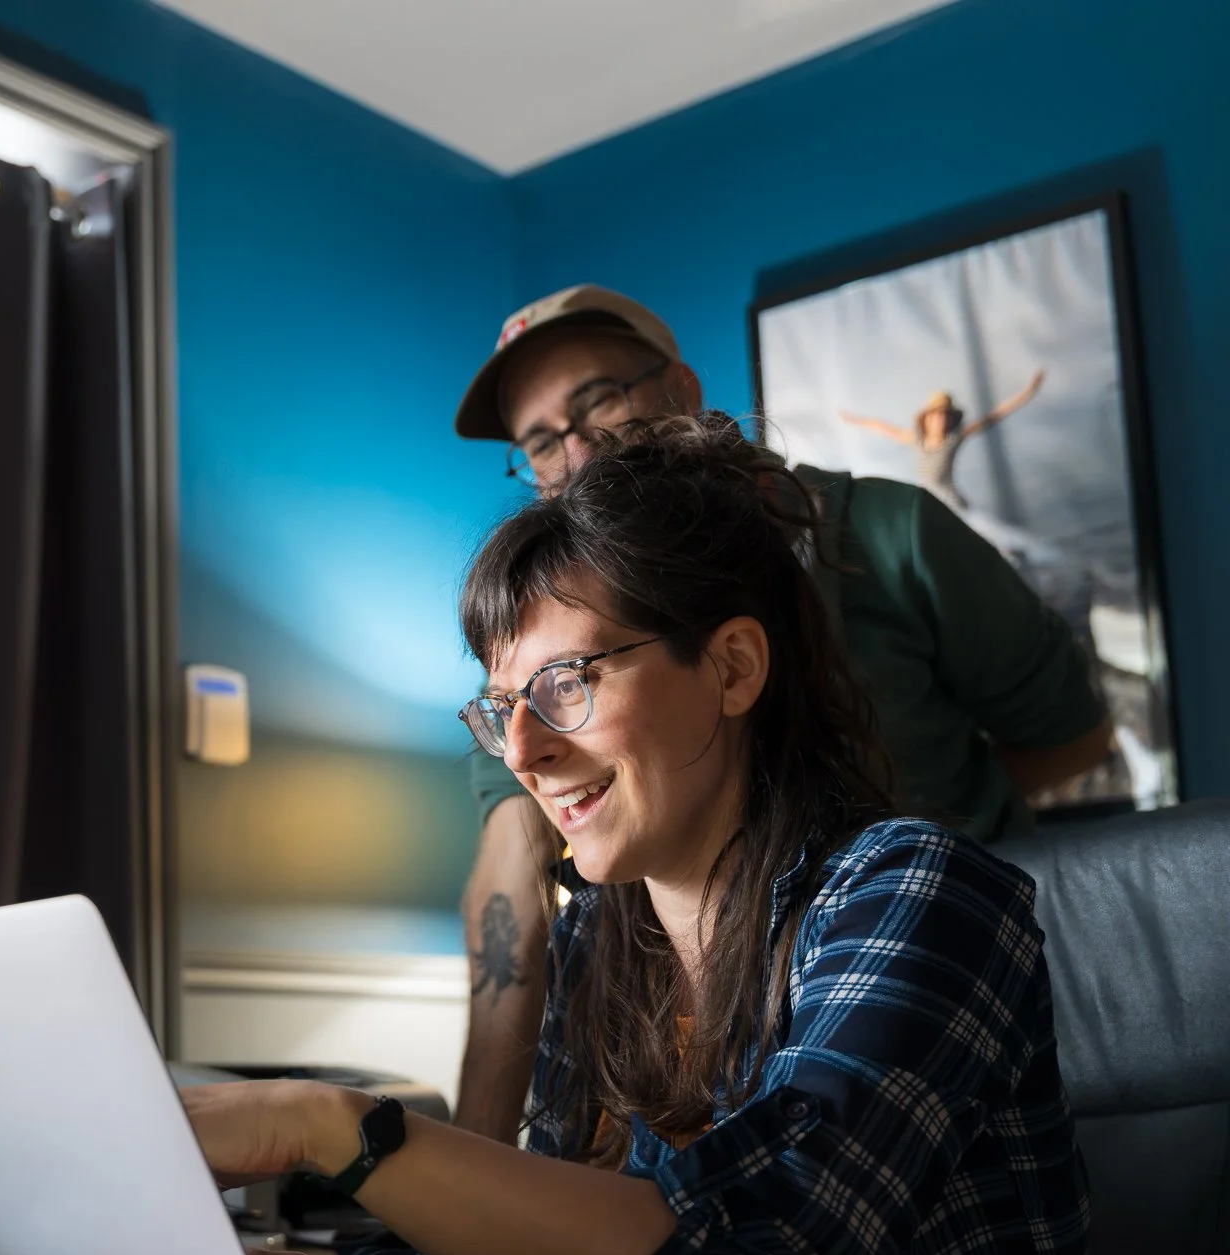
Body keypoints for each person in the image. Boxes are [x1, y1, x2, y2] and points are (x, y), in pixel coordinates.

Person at [182, 419, 1089, 1255]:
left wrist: (337, 1128)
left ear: (734, 667)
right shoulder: (601, 946)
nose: (523, 752)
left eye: (566, 682)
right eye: (502, 708)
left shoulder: (916, 892)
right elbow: (568, 1249)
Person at [447, 287, 1108, 1141]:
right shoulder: (542, 716)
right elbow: (513, 889)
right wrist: (455, 1188)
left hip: (944, 1000)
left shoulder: (890, 535)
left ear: (682, 390)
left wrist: (887, 859)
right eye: (539, 440)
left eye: (597, 400)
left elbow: (1070, 735)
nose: (575, 451)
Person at [838, 374, 1046, 514]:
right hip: (925, 500)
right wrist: (853, 419)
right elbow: (882, 427)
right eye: (936, 416)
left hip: (950, 501)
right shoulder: (916, 440)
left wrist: (1028, 392)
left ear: (951, 420)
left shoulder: (953, 439)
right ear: (926, 419)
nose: (941, 420)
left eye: (945, 416)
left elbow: (995, 416)